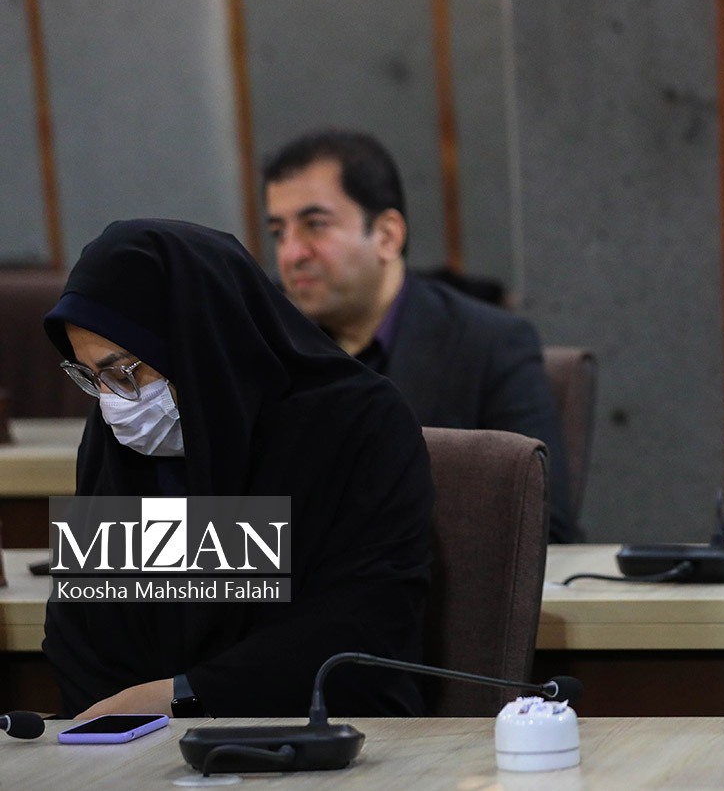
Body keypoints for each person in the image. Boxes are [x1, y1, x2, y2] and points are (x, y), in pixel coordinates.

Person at [43, 219, 434, 719]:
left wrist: (183, 695)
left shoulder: (356, 426)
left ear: (200, 343)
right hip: (137, 748)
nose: (114, 401)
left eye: (124, 370)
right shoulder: (111, 440)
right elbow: (80, 631)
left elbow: (358, 631)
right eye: (91, 376)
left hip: (324, 733)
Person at [262, 129, 581, 543]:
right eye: (279, 232)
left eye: (315, 226)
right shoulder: (265, 345)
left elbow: (543, 527)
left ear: (388, 236)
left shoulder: (487, 344)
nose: (291, 254)